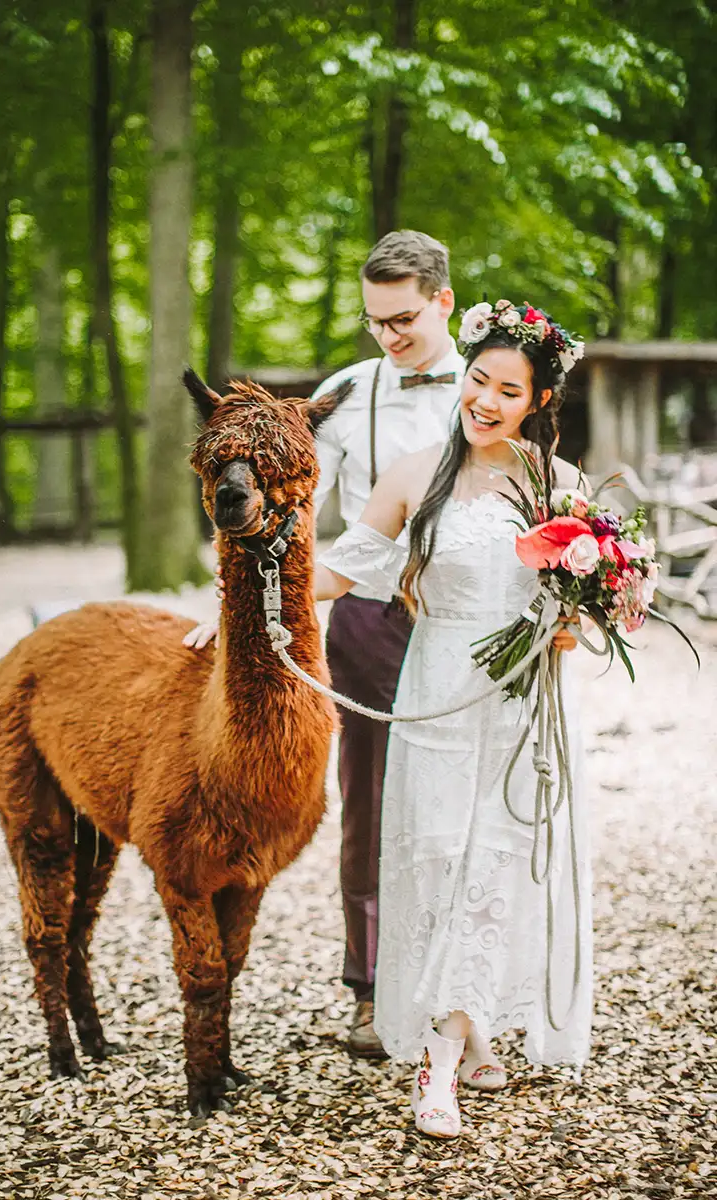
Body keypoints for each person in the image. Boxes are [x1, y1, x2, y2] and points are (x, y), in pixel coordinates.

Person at [185, 230, 469, 1063]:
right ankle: (370, 989)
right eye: (376, 321)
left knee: (470, 798)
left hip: (472, 624)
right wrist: (238, 605)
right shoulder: (346, 394)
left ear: (443, 301)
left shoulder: (489, 385)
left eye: (404, 319)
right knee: (371, 803)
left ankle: (466, 985)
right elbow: (290, 509)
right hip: (370, 620)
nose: (388, 336)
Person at [313, 300, 592, 1138]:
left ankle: (442, 1056)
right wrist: (246, 606)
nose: (486, 400)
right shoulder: (411, 474)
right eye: (479, 379)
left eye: (509, 389)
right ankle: (464, 1030)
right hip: (434, 692)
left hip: (519, 707)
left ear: (538, 400)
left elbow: (574, 621)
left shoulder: (558, 485)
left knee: (498, 865)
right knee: (436, 858)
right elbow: (341, 570)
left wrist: (578, 617)